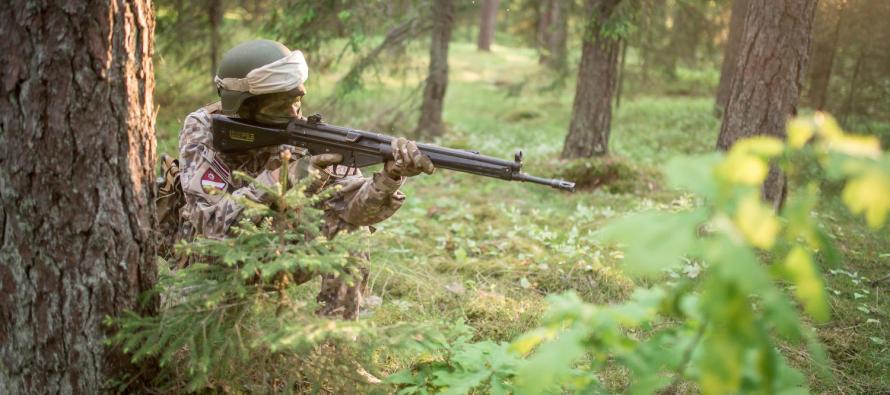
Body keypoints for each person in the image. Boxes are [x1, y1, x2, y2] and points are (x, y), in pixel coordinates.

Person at [174, 39, 434, 320]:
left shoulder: (303, 134)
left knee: (351, 232)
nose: (293, 114)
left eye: (296, 101)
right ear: (242, 106)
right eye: (278, 106)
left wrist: (391, 175)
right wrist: (286, 178)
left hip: (277, 251)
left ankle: (334, 342)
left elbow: (356, 211)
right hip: (213, 262)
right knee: (194, 339)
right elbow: (210, 225)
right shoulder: (205, 130)